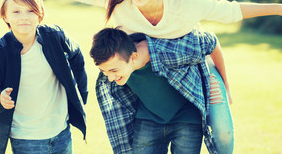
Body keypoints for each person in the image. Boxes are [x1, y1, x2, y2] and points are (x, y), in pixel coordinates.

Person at [0, 0, 282, 154]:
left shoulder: (184, 2)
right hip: (151, 81)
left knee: (223, 135)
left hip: (197, 68)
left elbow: (230, 11)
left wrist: (280, 8)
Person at [0, 0, 88, 154]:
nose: (24, 17)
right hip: (25, 140)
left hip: (61, 133)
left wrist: (80, 95)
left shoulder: (55, 37)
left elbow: (77, 57)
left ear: (40, 14)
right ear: (5, 16)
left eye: (30, 10)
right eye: (16, 11)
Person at [90, 27, 224, 154]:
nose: (111, 78)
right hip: (148, 117)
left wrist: (225, 86)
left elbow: (210, 41)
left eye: (114, 71)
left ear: (134, 57)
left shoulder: (169, 51)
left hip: (187, 117)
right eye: (104, 71)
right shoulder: (115, 65)